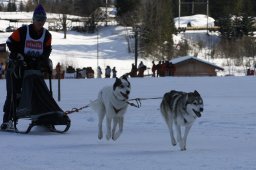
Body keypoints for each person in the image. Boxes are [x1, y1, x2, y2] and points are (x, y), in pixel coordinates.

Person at [1, 4, 52, 130]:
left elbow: (46, 50)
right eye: (38, 19)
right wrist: (18, 55)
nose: (40, 22)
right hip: (17, 68)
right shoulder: (23, 31)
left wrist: (44, 62)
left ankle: (43, 118)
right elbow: (9, 42)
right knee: (14, 94)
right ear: (33, 19)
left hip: (33, 69)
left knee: (40, 93)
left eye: (43, 20)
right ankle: (7, 120)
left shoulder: (47, 35)